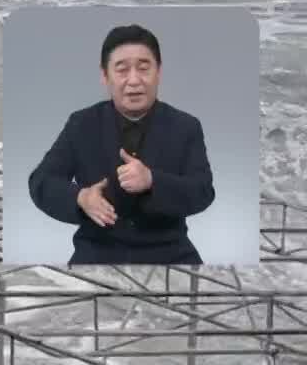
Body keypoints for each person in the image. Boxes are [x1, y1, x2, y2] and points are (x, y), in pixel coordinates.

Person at [26, 23, 215, 265]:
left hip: (170, 252)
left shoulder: (186, 126)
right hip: (97, 251)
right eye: (122, 70)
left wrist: (152, 181)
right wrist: (81, 198)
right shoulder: (81, 124)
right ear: (105, 76)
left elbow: (203, 191)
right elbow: (41, 181)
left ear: (159, 72)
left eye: (144, 68)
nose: (134, 80)